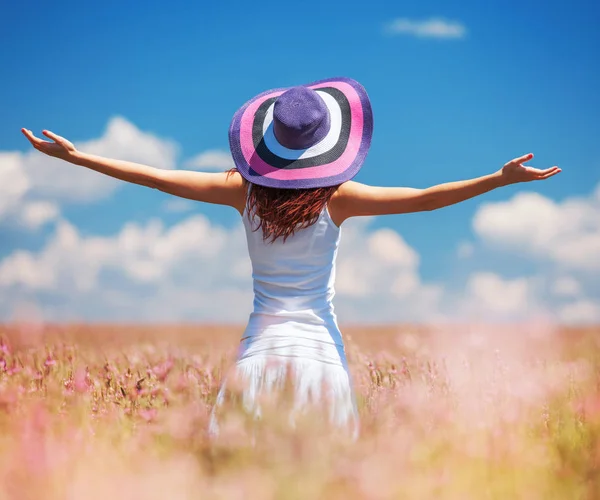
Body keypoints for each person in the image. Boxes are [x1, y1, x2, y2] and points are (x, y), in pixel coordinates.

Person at [22, 77, 560, 439]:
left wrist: (79, 158)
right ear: (327, 144)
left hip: (258, 356)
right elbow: (425, 198)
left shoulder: (243, 193)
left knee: (242, 478)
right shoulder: (340, 198)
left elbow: (156, 176)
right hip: (321, 359)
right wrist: (498, 179)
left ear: (270, 143)